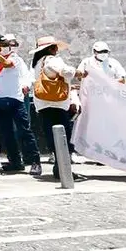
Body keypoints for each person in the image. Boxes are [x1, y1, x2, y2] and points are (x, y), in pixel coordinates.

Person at [0, 34, 41, 176]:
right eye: (2, 45)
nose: (6, 47)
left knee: (24, 131)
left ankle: (35, 161)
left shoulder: (15, 58)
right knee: (7, 134)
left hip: (15, 100)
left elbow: (6, 64)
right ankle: (15, 161)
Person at [29, 36, 86, 180]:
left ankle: (59, 168)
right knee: (63, 138)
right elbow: (65, 72)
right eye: (55, 47)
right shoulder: (52, 60)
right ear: (51, 49)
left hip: (43, 104)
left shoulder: (37, 63)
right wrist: (77, 72)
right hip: (57, 105)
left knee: (52, 138)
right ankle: (64, 171)